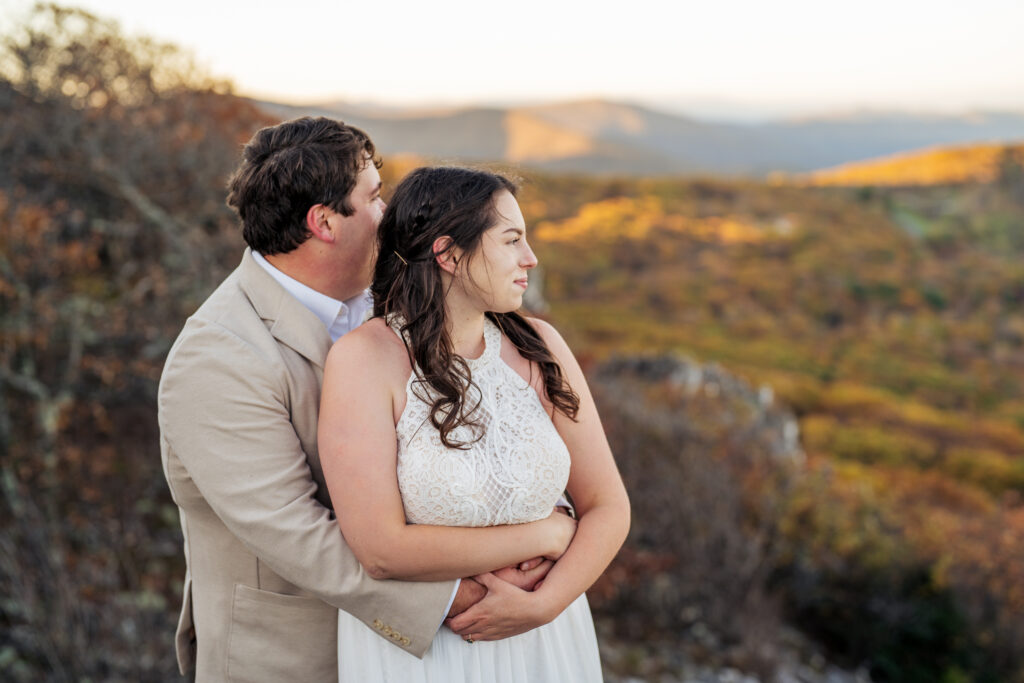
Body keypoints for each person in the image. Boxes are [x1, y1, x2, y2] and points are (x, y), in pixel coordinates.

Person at [157, 118, 558, 682]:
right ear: (323, 222)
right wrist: (462, 594)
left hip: (428, 656)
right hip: (295, 656)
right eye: (374, 196)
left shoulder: (400, 303)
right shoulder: (218, 356)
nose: (388, 212)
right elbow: (295, 530)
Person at [318, 166, 631, 681]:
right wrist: (549, 534)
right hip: (432, 652)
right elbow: (381, 550)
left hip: (548, 642)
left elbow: (608, 505)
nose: (530, 258)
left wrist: (544, 606)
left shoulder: (541, 345)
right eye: (511, 240)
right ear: (449, 254)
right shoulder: (364, 361)